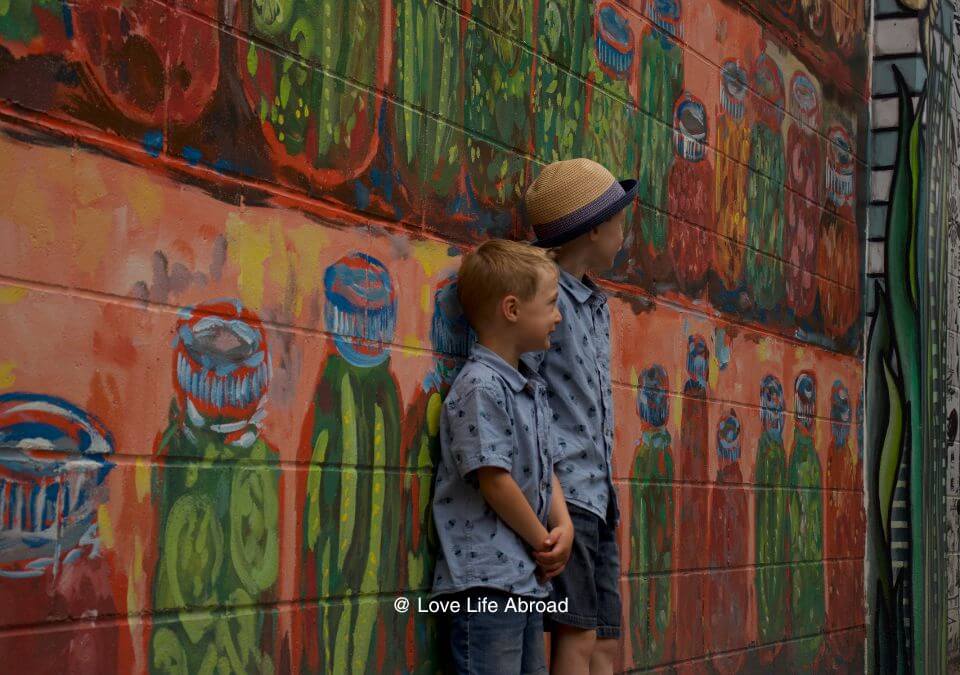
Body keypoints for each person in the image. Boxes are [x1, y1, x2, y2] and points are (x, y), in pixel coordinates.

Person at [430, 239, 575, 675]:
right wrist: (542, 540)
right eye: (551, 304)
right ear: (512, 309)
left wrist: (562, 524)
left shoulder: (528, 386)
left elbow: (545, 465)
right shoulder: (480, 387)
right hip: (485, 584)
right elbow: (495, 480)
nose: (558, 316)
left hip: (524, 581)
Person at [523, 158, 635, 674]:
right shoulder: (543, 300)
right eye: (619, 222)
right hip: (567, 494)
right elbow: (528, 398)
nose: (624, 234)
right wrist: (556, 500)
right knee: (578, 630)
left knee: (606, 637)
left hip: (600, 494)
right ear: (594, 228)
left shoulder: (594, 301)